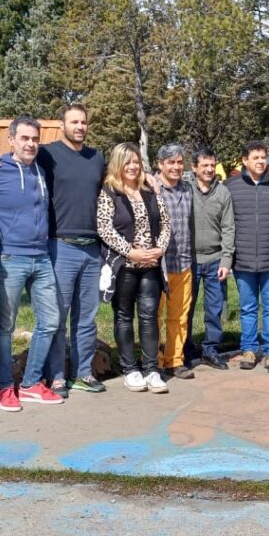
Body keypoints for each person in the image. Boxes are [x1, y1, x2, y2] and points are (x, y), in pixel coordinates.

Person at [0, 104, 108, 398]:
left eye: (83, 122)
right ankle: (54, 378)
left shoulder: (95, 157)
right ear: (61, 125)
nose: (79, 126)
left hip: (83, 249)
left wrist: (149, 179)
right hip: (52, 247)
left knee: (78, 317)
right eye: (73, 121)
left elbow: (116, 183)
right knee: (52, 319)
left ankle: (79, 373)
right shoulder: (46, 155)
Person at [0, 116, 63, 412]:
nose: (30, 144)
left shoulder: (41, 172)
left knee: (51, 321)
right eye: (25, 138)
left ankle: (30, 384)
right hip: (9, 258)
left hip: (41, 257)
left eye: (34, 139)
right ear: (11, 140)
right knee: (5, 326)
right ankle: (5, 387)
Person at [97, 143, 170, 393]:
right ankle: (130, 369)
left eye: (136, 161)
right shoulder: (110, 192)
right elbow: (104, 228)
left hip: (150, 266)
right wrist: (131, 252)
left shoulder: (149, 190)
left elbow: (165, 223)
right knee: (124, 316)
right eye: (127, 162)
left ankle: (151, 369)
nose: (132, 166)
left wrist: (159, 249)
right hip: (125, 266)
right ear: (118, 164)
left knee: (150, 317)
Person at [225, 140, 269, 373]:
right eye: (256, 158)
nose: (261, 161)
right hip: (242, 260)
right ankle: (249, 349)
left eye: (263, 157)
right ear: (245, 161)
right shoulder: (230, 186)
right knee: (248, 308)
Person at [182, 147, 234, 370]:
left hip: (214, 259)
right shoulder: (183, 189)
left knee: (214, 309)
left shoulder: (223, 193)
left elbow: (228, 228)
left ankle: (210, 349)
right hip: (188, 259)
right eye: (204, 165)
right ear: (194, 167)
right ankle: (183, 348)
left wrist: (226, 261)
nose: (209, 169)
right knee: (186, 307)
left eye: (212, 165)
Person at [154, 144, 196, 380]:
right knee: (154, 316)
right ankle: (154, 360)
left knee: (179, 316)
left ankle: (174, 360)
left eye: (180, 162)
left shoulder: (188, 189)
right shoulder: (151, 188)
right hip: (157, 266)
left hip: (183, 262)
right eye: (171, 162)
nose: (176, 167)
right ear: (160, 164)